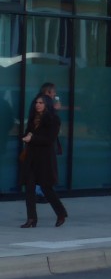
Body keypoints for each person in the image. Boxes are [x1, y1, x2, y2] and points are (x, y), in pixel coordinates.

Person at [19, 95, 68, 228]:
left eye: (41, 102)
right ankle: (31, 219)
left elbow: (49, 139)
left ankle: (61, 213)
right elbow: (27, 133)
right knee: (29, 188)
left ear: (47, 104)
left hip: (45, 159)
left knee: (47, 188)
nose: (38, 105)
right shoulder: (33, 118)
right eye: (36, 102)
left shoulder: (53, 119)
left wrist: (32, 138)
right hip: (31, 158)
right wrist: (27, 135)